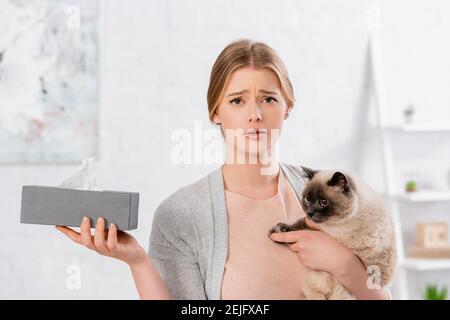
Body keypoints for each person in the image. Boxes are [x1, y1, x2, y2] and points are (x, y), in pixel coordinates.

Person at [57, 39, 391, 300]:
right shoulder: (181, 215)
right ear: (215, 111)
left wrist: (343, 264)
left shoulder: (326, 193)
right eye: (237, 100)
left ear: (287, 107)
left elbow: (381, 294)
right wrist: (138, 261)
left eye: (268, 99)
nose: (254, 115)